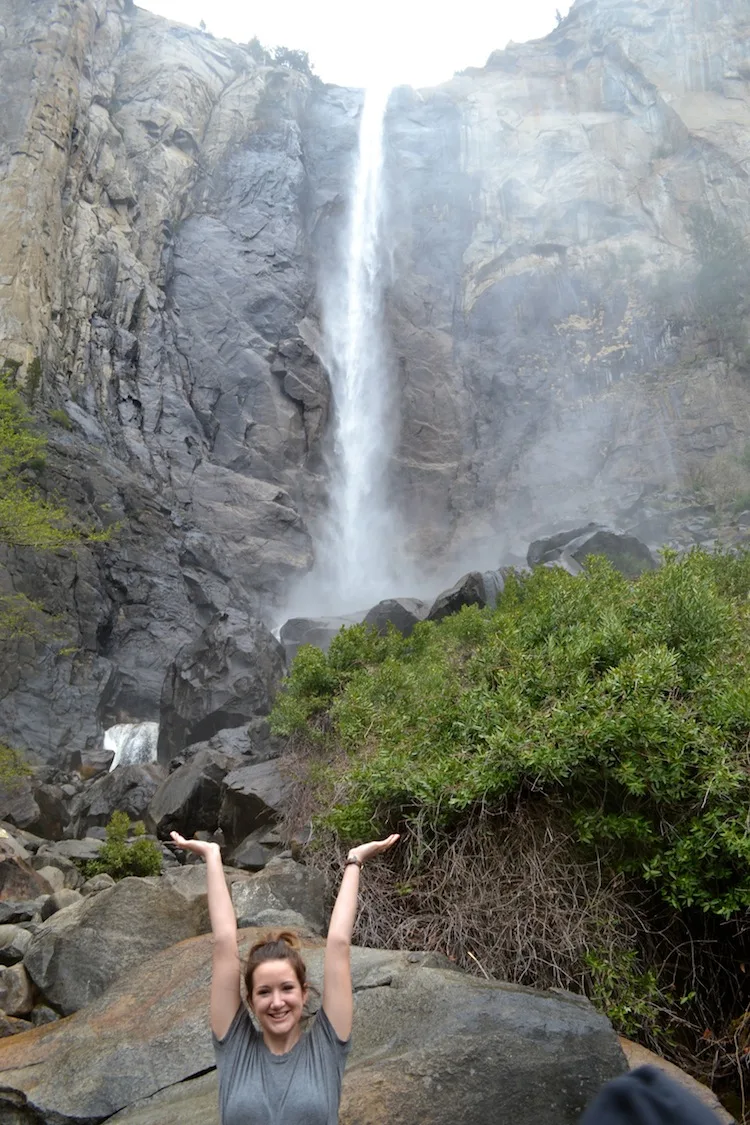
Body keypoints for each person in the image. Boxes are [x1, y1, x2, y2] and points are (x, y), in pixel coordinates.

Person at [170, 829, 400, 1125]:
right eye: (264, 992)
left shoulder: (327, 1047)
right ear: (250, 1001)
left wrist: (354, 861)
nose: (277, 1001)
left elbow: (339, 944)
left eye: (287, 988)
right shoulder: (235, 1047)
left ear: (304, 993)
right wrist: (212, 856)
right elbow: (225, 941)